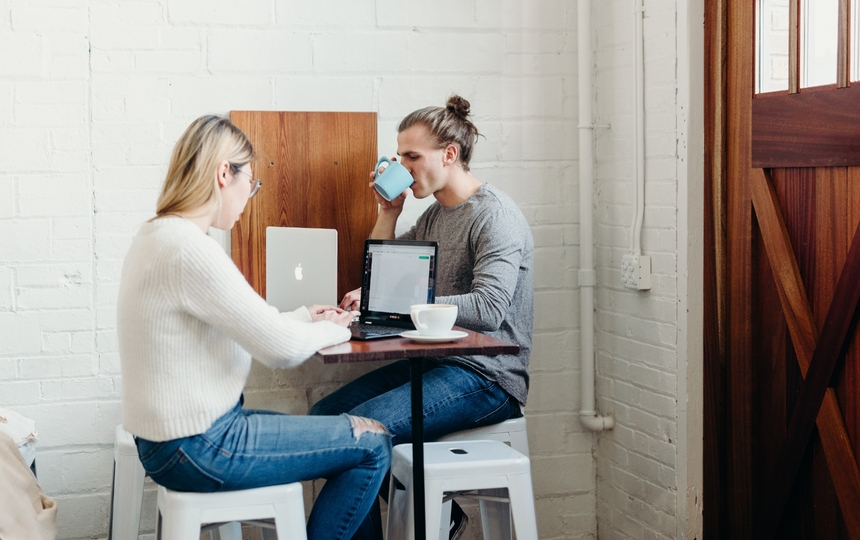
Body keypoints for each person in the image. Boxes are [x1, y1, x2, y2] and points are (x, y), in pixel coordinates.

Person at [116, 115, 392, 540]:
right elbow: (280, 350)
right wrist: (338, 328)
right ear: (224, 173)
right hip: (200, 446)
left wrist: (305, 317)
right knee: (372, 444)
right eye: (252, 182)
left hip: (169, 443)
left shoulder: (158, 236)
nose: (250, 194)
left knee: (346, 429)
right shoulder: (190, 249)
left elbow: (245, 322)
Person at [309, 96, 535, 540]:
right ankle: (440, 517)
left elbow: (490, 308)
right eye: (401, 157)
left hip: (487, 376)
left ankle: (430, 517)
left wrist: (403, 303)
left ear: (449, 154)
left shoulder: (496, 216)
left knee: (358, 434)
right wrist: (387, 215)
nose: (403, 166)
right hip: (436, 362)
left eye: (412, 157)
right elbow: (388, 272)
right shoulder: (435, 216)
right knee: (325, 416)